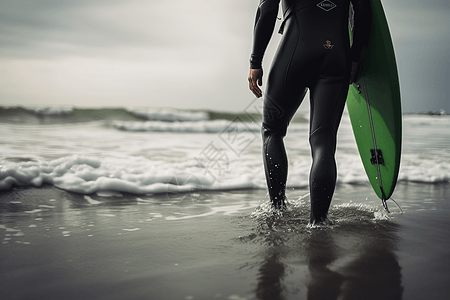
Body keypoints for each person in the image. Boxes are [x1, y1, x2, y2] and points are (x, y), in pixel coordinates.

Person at [248, 0, 371, 224]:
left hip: (295, 50)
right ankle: (318, 222)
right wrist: (354, 58)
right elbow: (363, 11)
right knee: (324, 140)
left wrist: (255, 61)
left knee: (272, 131)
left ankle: (277, 209)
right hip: (337, 55)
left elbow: (266, 11)